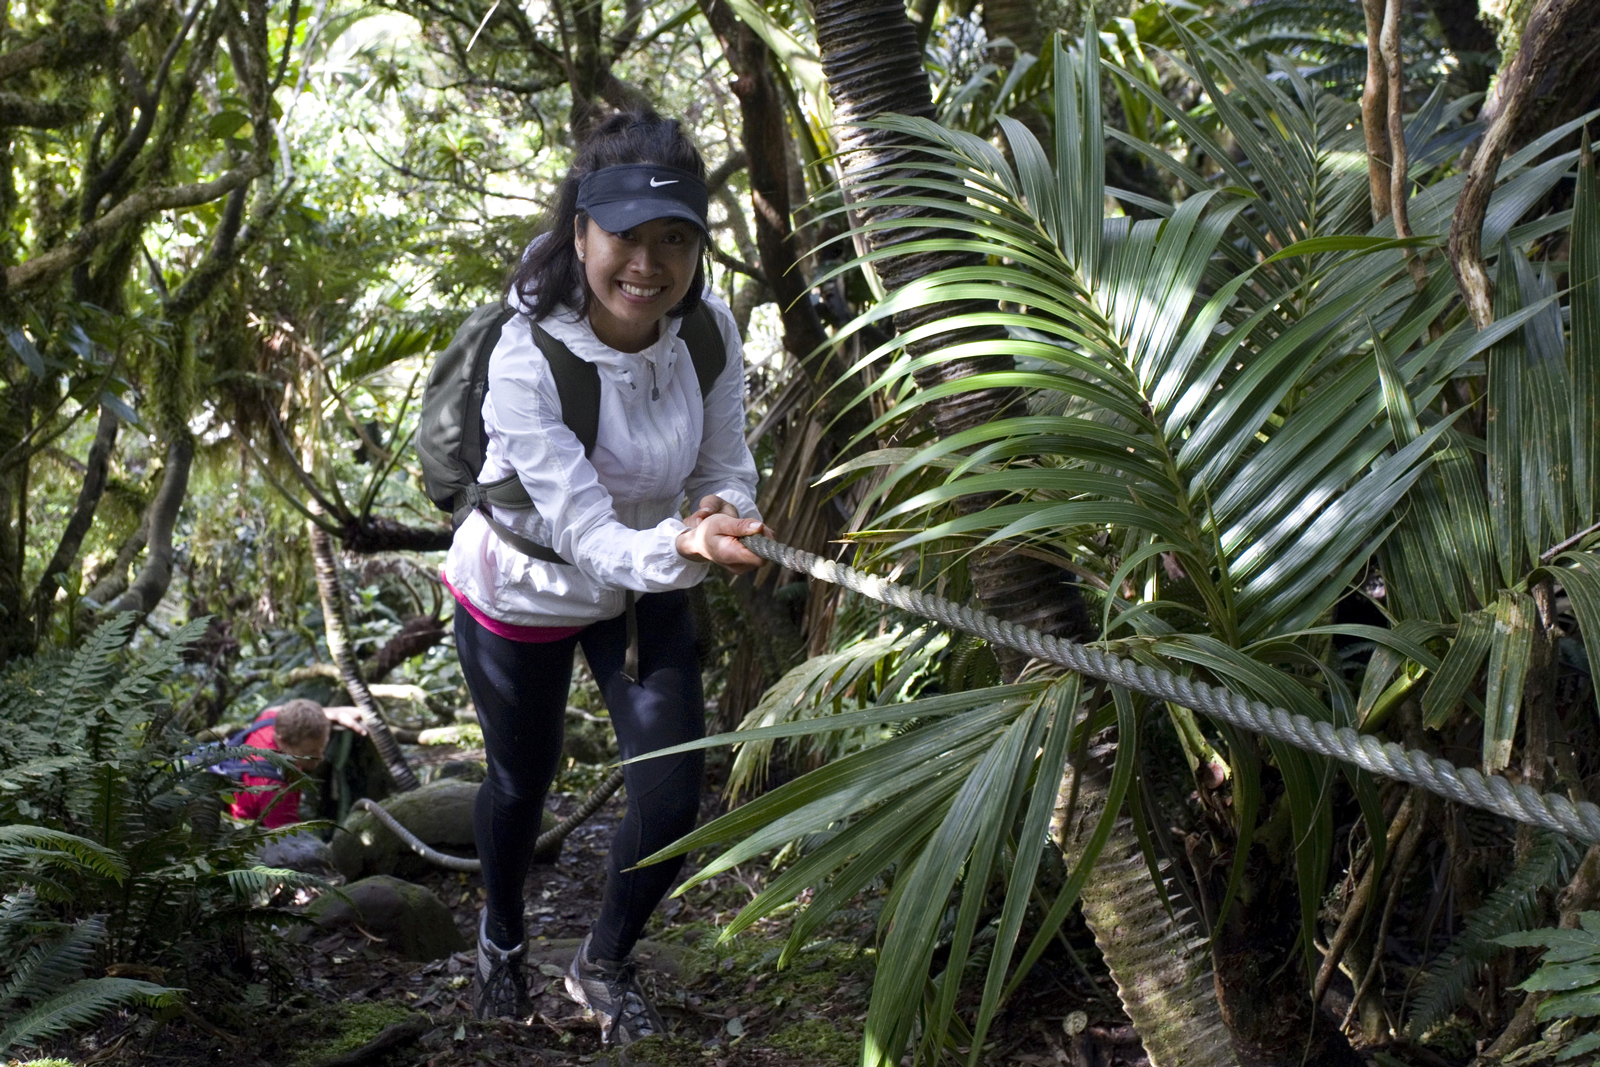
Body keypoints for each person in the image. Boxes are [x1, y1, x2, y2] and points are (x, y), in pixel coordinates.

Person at [440, 109, 769, 1044]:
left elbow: (725, 458)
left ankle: (603, 961)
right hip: (527, 589)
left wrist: (719, 507)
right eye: (626, 235)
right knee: (521, 780)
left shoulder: (706, 330)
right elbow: (582, 530)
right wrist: (690, 546)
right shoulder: (525, 356)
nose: (648, 265)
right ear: (580, 229)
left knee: (669, 798)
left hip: (648, 581)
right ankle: (502, 940)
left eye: (677, 240)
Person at [226, 699, 367, 828]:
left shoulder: (270, 720)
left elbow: (275, 709)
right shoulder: (275, 791)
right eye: (310, 752)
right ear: (282, 741)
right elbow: (289, 842)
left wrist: (334, 713)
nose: (320, 757)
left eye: (322, 747)